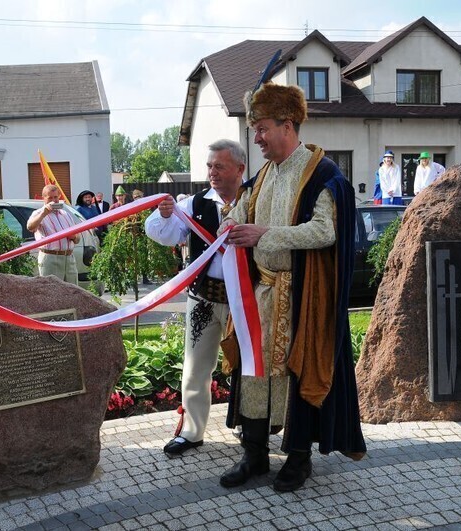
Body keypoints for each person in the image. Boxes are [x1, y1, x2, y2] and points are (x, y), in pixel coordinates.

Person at [218, 82, 366, 492]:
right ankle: (254, 455)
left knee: (297, 376)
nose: (257, 139)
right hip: (260, 294)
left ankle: (298, 459)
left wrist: (265, 234)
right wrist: (229, 225)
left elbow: (325, 231)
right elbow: (237, 217)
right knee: (253, 375)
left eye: (262, 128)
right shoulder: (264, 174)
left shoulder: (323, 173)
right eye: (255, 130)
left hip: (301, 297)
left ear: (287, 124)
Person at [145, 139, 246, 457]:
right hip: (203, 297)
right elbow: (165, 234)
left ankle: (249, 425)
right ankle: (192, 431)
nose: (212, 172)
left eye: (220, 166)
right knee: (195, 367)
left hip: (243, 300)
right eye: (209, 165)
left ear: (239, 169)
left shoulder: (256, 199)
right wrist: (163, 215)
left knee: (247, 365)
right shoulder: (195, 203)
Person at [27, 184, 81, 285]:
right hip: (50, 258)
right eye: (50, 198)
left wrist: (73, 237)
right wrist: (44, 213)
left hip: (69, 257)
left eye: (55, 197)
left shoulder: (65, 214)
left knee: (73, 292)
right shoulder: (38, 213)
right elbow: (30, 227)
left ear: (59, 197)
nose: (53, 200)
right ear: (44, 199)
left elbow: (78, 238)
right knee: (51, 293)